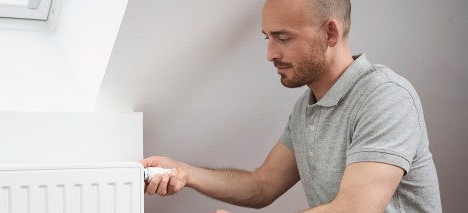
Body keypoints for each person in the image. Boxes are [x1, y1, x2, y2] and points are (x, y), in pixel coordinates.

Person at [141, 0, 442, 212]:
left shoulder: (385, 96)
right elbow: (262, 186)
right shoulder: (306, 109)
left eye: (283, 38)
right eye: (268, 38)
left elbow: (355, 209)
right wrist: (184, 172)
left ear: (330, 33)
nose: (270, 53)